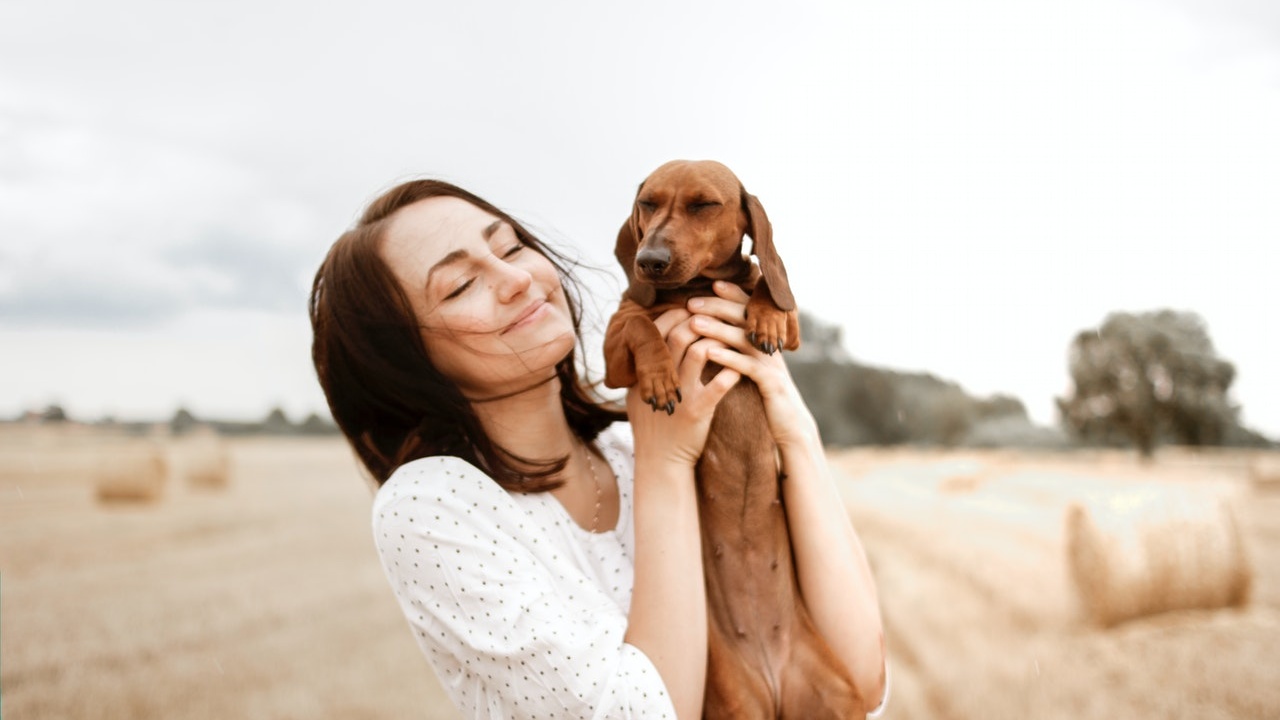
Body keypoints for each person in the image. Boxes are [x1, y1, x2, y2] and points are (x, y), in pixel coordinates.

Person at [309, 178, 888, 718]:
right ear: (401, 359)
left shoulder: (628, 442)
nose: (516, 280)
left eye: (510, 249)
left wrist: (794, 429)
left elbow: (863, 685)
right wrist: (666, 466)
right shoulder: (431, 507)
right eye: (461, 285)